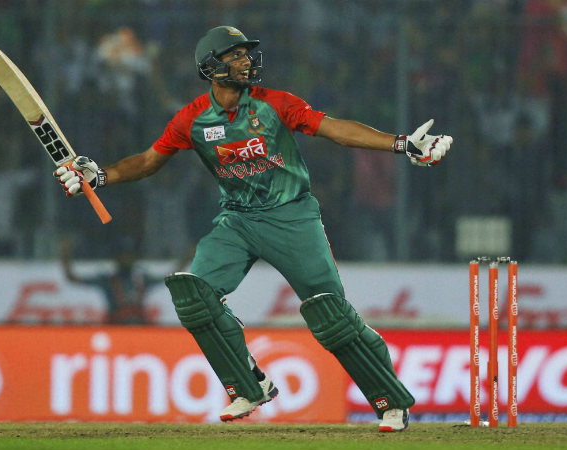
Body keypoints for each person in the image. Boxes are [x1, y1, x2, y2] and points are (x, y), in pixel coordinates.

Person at [54, 26, 452, 431]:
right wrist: (100, 176)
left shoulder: (275, 104)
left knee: (331, 315)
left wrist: (402, 143)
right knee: (194, 295)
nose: (246, 61)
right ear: (211, 66)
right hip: (238, 220)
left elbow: (335, 129)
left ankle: (391, 403)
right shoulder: (192, 119)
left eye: (247, 53)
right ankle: (249, 384)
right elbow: (148, 161)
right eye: (235, 55)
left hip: (292, 216)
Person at [59, 236, 160, 324]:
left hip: (140, 329)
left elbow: (167, 279)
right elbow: (73, 278)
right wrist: (65, 256)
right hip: (115, 328)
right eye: (123, 255)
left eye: (130, 256)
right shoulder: (107, 281)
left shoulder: (143, 280)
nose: (127, 259)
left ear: (135, 258)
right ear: (117, 258)